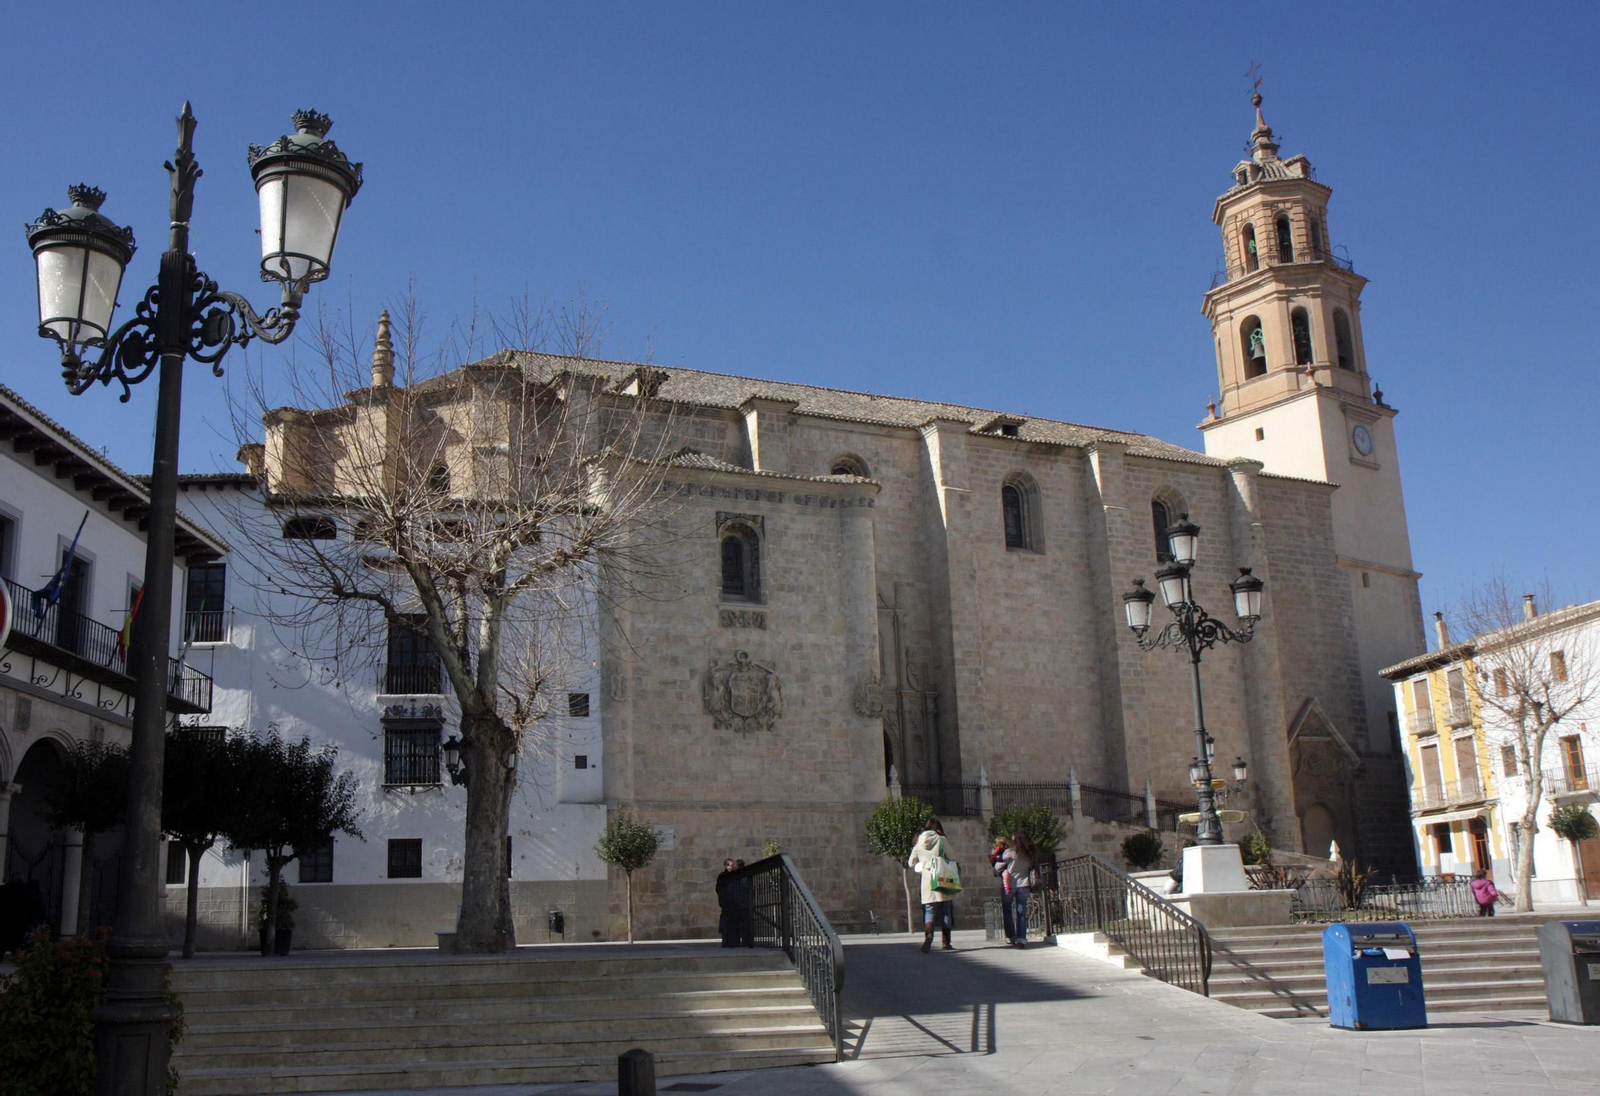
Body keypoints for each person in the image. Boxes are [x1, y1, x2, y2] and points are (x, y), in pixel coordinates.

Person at [907, 818, 957, 953]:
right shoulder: (941, 840)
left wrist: (922, 863)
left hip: (927, 879)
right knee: (946, 909)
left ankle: (928, 935)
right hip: (942, 876)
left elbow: (911, 862)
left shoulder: (918, 843)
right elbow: (952, 856)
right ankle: (946, 942)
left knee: (929, 910)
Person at [1005, 830, 1038, 948]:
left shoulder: (1010, 853)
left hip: (1009, 883)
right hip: (1024, 884)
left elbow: (998, 866)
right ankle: (1021, 939)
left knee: (1007, 910)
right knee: (1021, 912)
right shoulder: (1030, 853)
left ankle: (1011, 936)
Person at [989, 836, 1015, 944]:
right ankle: (1018, 934)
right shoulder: (1009, 851)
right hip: (1015, 879)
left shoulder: (995, 853)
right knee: (1018, 908)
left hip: (1005, 881)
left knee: (1007, 909)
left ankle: (1010, 935)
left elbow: (995, 867)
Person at [715, 858, 740, 946]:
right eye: (731, 865)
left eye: (733, 865)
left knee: (734, 922)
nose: (733, 866)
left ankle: (734, 941)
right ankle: (726, 941)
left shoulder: (734, 875)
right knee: (726, 922)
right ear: (727, 866)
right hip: (726, 902)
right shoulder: (723, 876)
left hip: (734, 902)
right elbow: (718, 889)